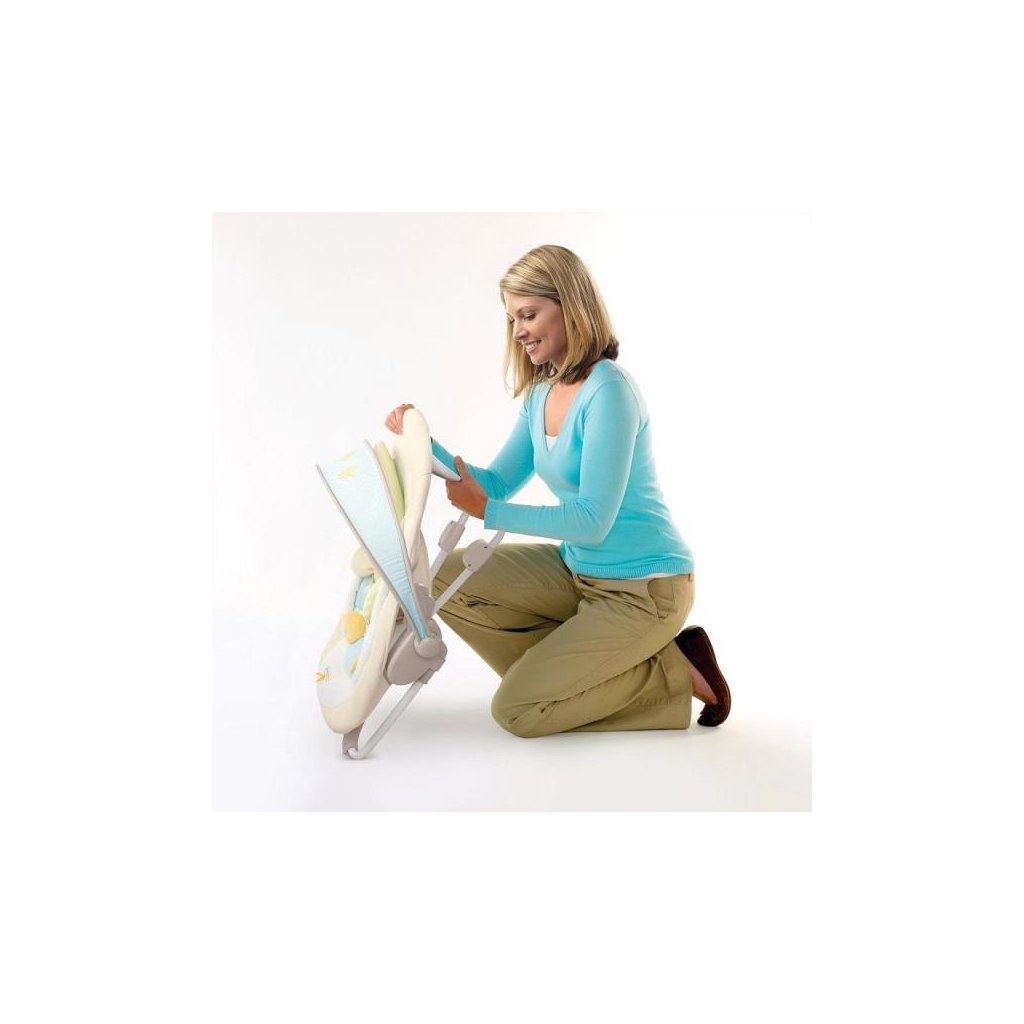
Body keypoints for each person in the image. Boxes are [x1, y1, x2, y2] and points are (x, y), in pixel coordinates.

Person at [384, 244, 731, 739]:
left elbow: (592, 520)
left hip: (644, 589)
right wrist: (423, 443)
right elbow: (496, 483)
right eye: (512, 319)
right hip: (578, 571)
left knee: (518, 711)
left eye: (529, 315)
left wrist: (489, 511)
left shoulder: (609, 392)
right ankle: (570, 675)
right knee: (441, 577)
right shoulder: (542, 392)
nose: (518, 331)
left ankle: (674, 672)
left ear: (571, 308)